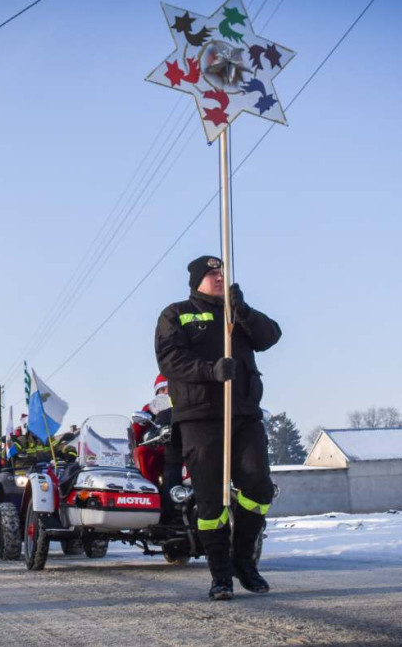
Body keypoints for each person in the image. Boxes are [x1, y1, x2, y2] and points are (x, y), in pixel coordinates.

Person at [155, 255, 281, 600]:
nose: (218, 277)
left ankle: (244, 563)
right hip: (200, 416)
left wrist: (245, 311)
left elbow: (270, 336)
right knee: (211, 501)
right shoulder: (175, 313)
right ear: (196, 279)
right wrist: (210, 370)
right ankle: (220, 576)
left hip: (243, 414)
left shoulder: (235, 312)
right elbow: (170, 358)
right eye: (212, 273)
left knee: (258, 488)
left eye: (222, 272)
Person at [145, 374, 183, 523]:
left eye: (169, 388)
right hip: (163, 452)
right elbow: (139, 430)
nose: (166, 392)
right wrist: (150, 434)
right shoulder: (151, 408)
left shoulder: (187, 406)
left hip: (189, 450)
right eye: (162, 389)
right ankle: (167, 514)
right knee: (170, 475)